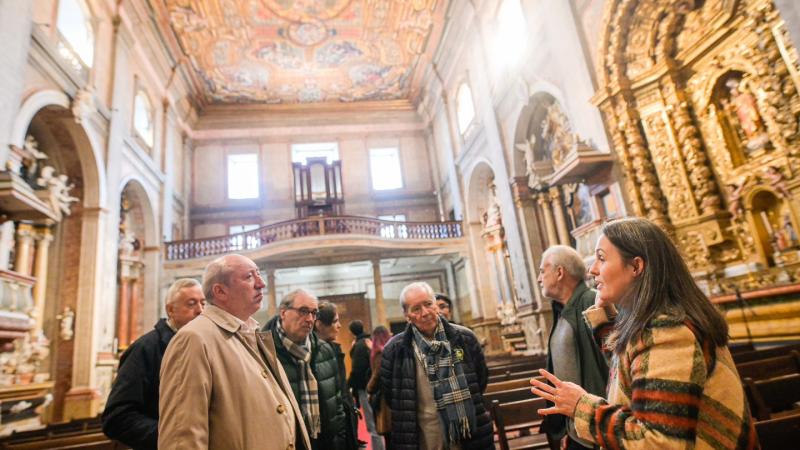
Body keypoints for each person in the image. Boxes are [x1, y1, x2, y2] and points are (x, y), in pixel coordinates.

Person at [531, 218, 759, 449]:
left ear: (636, 267)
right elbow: (636, 370)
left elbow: (658, 442)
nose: (592, 270)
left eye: (601, 258)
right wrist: (604, 317)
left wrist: (581, 406)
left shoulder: (667, 331)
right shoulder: (659, 323)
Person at [159, 254, 310, 450]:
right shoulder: (194, 339)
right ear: (220, 291)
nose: (261, 283)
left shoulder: (249, 333)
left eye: (259, 274)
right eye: (249, 277)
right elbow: (181, 438)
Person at [379, 282, 493, 450]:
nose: (425, 313)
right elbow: (393, 395)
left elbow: (479, 380)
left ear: (436, 305)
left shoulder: (465, 338)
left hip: (468, 433)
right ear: (406, 315)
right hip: (424, 435)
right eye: (416, 309)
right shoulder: (394, 349)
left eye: (428, 304)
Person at [102, 278, 205, 450]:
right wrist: (173, 438)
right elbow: (117, 418)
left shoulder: (203, 344)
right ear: (171, 310)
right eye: (191, 304)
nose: (200, 310)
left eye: (203, 303)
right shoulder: (145, 348)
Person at [537, 245, 608, 450]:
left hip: (597, 426)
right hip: (577, 427)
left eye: (543, 271)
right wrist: (568, 429)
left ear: (559, 272)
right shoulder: (563, 310)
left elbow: (612, 366)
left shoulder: (594, 303)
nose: (539, 279)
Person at [263, 289, 352, 450]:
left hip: (324, 442)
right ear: (283, 312)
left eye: (314, 313)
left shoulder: (325, 350)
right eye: (303, 311)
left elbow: (337, 403)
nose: (310, 319)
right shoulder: (263, 352)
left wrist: (339, 440)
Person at [315, 301, 360, 450]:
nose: (339, 326)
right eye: (335, 322)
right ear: (319, 325)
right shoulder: (315, 355)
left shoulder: (334, 350)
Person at [348, 319, 378, 444]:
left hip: (365, 386)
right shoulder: (368, 340)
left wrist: (349, 384)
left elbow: (358, 369)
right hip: (373, 384)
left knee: (372, 424)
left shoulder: (360, 344)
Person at [366, 326, 391, 450]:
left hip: (384, 399)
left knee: (389, 436)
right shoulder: (392, 349)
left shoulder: (379, 353)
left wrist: (369, 389)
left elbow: (377, 375)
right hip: (395, 395)